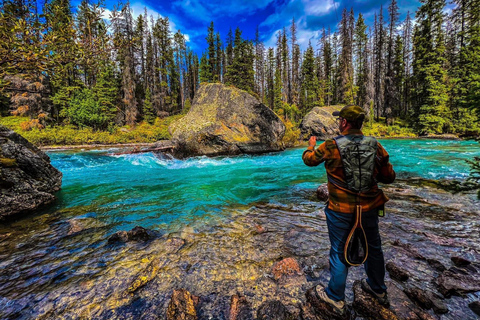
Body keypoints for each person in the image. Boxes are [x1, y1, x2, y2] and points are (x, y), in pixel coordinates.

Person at [302, 105, 396, 315]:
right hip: (370, 208)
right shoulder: (376, 145)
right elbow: (389, 177)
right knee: (374, 248)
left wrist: (310, 146)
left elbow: (309, 161)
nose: (338, 122)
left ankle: (335, 297)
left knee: (338, 250)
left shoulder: (331, 146)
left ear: (345, 122)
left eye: (340, 120)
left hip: (340, 210)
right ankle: (378, 290)